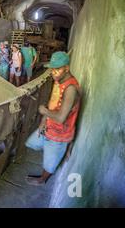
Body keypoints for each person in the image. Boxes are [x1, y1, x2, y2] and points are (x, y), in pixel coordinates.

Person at [24, 51, 81, 186]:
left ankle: (42, 179)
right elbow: (53, 102)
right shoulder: (58, 81)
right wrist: (44, 121)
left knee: (50, 165)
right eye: (52, 69)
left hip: (59, 133)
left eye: (57, 69)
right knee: (31, 143)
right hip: (49, 126)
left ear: (66, 68)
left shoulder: (71, 89)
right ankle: (58, 151)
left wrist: (44, 111)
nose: (53, 72)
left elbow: (61, 118)